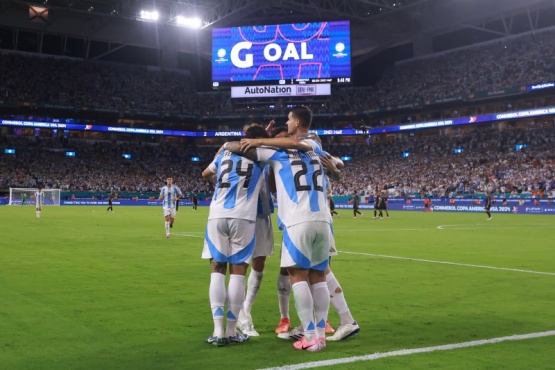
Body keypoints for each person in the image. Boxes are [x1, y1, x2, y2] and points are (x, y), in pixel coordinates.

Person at [231, 106, 340, 351]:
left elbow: (241, 148)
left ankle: (310, 336)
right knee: (319, 277)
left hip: (297, 220)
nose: (286, 122)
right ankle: (320, 335)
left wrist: (258, 138)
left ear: (297, 122)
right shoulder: (317, 149)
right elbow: (338, 165)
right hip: (323, 220)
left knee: (298, 276)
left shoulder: (277, 154)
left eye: (289, 119)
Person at [201, 125, 267, 347]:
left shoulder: (225, 153)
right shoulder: (261, 157)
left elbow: (205, 174)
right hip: (243, 218)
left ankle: (217, 331)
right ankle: (231, 331)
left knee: (217, 269)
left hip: (217, 215)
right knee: (238, 273)